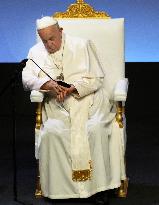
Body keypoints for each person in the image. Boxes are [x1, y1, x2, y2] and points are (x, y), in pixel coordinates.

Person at [22, 16, 119, 205]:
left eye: (52, 39)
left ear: (61, 31)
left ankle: (99, 190)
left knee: (95, 128)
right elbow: (26, 79)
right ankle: (59, 190)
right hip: (58, 108)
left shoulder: (82, 45)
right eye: (44, 41)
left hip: (88, 103)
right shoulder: (35, 52)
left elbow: (97, 79)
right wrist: (46, 84)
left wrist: (73, 88)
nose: (49, 44)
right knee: (51, 132)